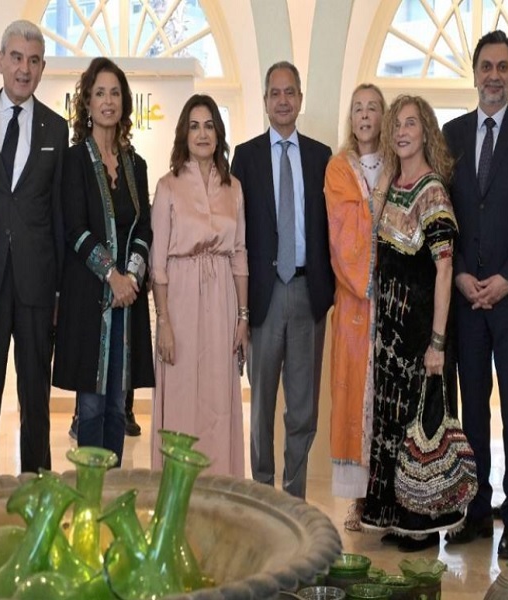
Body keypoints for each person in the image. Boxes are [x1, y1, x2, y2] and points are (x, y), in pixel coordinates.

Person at [441, 30, 508, 559]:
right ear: (475, 73)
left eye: (503, 67)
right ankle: (477, 510)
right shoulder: (452, 134)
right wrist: (461, 274)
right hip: (467, 299)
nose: (494, 75)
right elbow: (445, 214)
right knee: (474, 413)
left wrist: (507, 278)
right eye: (486, 66)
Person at [360, 94, 460, 551]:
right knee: (390, 425)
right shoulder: (395, 184)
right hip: (389, 335)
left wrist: (437, 343)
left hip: (418, 334)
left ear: (426, 132)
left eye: (411, 123)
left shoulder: (432, 189)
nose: (401, 131)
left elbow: (445, 269)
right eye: (396, 124)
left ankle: (418, 525)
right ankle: (393, 516)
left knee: (417, 429)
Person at [231, 61, 334, 500]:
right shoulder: (246, 156)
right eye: (275, 93)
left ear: (300, 99)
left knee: (303, 407)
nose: (283, 100)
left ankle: (294, 497)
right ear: (265, 101)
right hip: (265, 293)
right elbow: (237, 230)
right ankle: (262, 493)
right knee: (261, 406)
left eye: (290, 92)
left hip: (309, 292)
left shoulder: (321, 156)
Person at [0, 20, 68, 473]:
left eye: (33, 60)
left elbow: (58, 213)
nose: (24, 69)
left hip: (36, 285)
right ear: (0, 61)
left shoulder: (56, 129)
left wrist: (59, 290)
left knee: (35, 400)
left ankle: (38, 490)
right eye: (16, 58)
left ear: (42, 68)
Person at [54, 57, 153, 466]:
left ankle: (112, 492)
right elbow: (75, 229)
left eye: (115, 93)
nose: (108, 101)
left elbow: (144, 227)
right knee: (91, 407)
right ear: (87, 103)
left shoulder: (136, 165)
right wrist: (112, 276)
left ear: (124, 103)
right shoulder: (74, 160)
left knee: (117, 406)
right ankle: (89, 496)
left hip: (127, 304)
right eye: (99, 93)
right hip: (89, 300)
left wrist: (131, 278)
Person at [150, 94, 248, 476]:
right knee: (180, 394)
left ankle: (218, 488)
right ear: (184, 134)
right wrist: (163, 321)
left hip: (223, 300)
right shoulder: (168, 186)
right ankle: (178, 488)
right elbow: (158, 263)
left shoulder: (233, 187)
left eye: (209, 126)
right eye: (194, 126)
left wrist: (243, 317)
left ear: (218, 133)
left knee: (218, 398)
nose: (202, 134)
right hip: (181, 300)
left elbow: (239, 254)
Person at [323, 83, 390, 529]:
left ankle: (390, 497)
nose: (365, 115)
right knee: (354, 397)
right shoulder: (339, 168)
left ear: (383, 116)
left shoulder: (397, 163)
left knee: (387, 397)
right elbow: (342, 229)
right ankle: (359, 501)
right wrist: (374, 205)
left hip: (393, 296)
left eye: (373, 108)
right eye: (358, 109)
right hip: (354, 298)